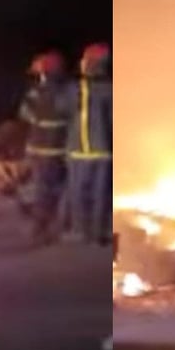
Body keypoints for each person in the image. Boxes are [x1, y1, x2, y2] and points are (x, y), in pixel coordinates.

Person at [61, 42, 112, 245]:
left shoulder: (75, 89)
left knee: (79, 192)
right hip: (104, 151)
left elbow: (61, 108)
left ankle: (80, 230)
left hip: (79, 151)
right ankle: (98, 231)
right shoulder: (110, 89)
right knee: (100, 194)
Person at [18, 51, 69, 244]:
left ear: (44, 73)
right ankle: (51, 226)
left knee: (41, 189)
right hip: (58, 149)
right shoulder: (67, 92)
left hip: (37, 149)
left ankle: (40, 228)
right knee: (54, 189)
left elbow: (24, 113)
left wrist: (38, 119)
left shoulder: (35, 93)